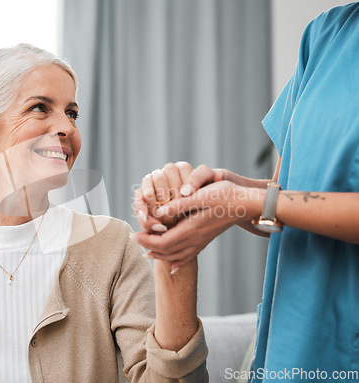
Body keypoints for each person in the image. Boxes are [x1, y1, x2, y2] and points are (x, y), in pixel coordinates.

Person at [0, 44, 208, 382]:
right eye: (40, 108)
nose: (66, 127)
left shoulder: (112, 246)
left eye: (72, 112)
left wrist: (176, 255)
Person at [132, 3, 359, 382]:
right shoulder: (326, 35)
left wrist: (245, 201)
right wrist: (228, 190)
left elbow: (274, 203)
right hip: (294, 342)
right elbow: (284, 198)